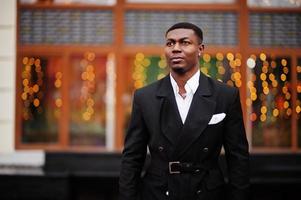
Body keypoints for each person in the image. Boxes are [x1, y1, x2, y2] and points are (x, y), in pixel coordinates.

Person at [119, 22, 250, 200]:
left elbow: (238, 158)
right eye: (170, 43)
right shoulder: (145, 97)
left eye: (185, 42)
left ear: (200, 49)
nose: (176, 48)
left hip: (206, 192)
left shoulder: (225, 95)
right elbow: (132, 158)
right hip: (158, 192)